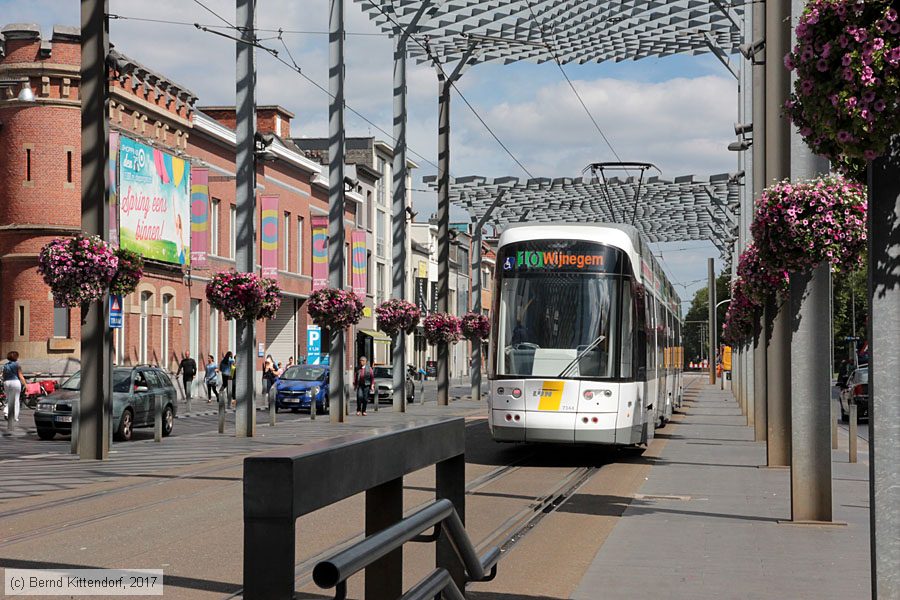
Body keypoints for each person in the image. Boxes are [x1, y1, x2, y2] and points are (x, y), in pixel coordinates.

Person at [2, 351, 26, 422]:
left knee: (8, 398)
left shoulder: (5, 365)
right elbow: (20, 375)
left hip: (6, 382)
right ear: (16, 357)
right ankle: (15, 417)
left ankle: (6, 412)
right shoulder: (17, 365)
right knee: (16, 399)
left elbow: (3, 375)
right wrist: (25, 384)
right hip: (15, 382)